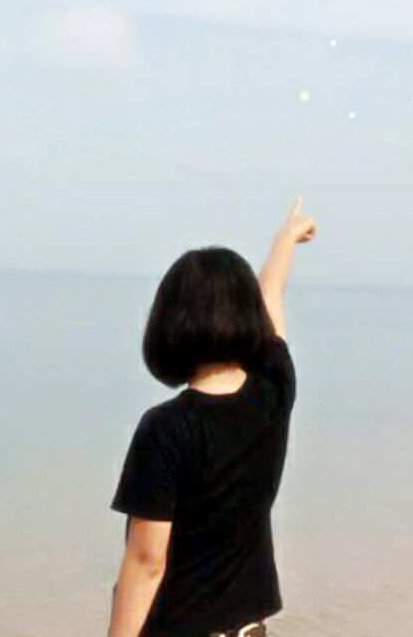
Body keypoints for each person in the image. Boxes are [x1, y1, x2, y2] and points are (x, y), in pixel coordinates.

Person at [107, 195, 317, 637]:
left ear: (170, 323)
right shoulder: (273, 390)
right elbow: (271, 297)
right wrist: (286, 238)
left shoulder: (166, 429)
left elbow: (146, 562)